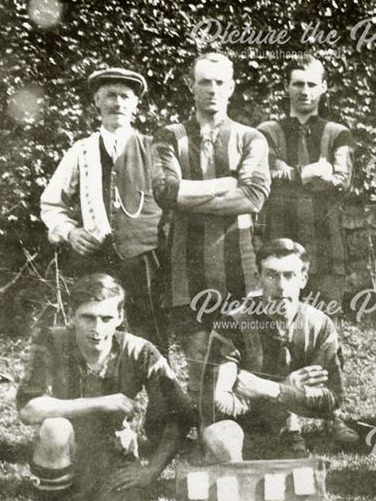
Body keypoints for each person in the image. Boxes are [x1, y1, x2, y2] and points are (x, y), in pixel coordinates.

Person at [17, 274, 193, 501]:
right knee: (55, 428)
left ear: (120, 317)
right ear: (72, 316)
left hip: (116, 460)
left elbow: (183, 412)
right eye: (87, 317)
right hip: (68, 453)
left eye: (106, 318)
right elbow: (28, 409)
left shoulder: (140, 350)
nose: (97, 329)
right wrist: (100, 401)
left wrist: (151, 471)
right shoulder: (52, 340)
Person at [152, 52, 271, 415]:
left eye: (220, 82)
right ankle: (204, 428)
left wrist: (187, 199)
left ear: (232, 87)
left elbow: (252, 197)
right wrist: (224, 183)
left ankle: (258, 427)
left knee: (247, 352)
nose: (212, 89)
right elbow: (165, 191)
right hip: (185, 268)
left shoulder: (251, 137)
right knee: (198, 357)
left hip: (240, 265)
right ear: (191, 86)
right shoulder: (169, 135)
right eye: (204, 81)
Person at [199, 238, 359, 460]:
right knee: (224, 444)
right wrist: (292, 392)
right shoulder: (232, 324)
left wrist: (273, 389)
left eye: (289, 275)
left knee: (298, 484)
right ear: (258, 278)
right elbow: (218, 404)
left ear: (303, 279)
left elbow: (332, 399)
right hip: (233, 427)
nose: (281, 286)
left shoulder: (319, 324)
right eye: (272, 275)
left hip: (282, 428)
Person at [40, 67, 164, 345]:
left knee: (150, 330)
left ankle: (158, 385)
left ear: (135, 104)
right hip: (96, 256)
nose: (117, 103)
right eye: (110, 95)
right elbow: (51, 203)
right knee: (95, 328)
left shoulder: (154, 148)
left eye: (125, 96)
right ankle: (99, 384)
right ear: (97, 101)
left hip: (143, 257)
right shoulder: (81, 150)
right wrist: (69, 232)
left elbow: (175, 201)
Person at [257, 54, 352, 306]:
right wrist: (311, 172)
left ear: (323, 87)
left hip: (326, 245)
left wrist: (288, 175)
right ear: (286, 87)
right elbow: (265, 178)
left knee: (325, 324)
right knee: (278, 319)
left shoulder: (337, 133)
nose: (304, 91)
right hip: (278, 239)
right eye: (298, 84)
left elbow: (342, 181)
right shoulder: (266, 132)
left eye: (311, 84)